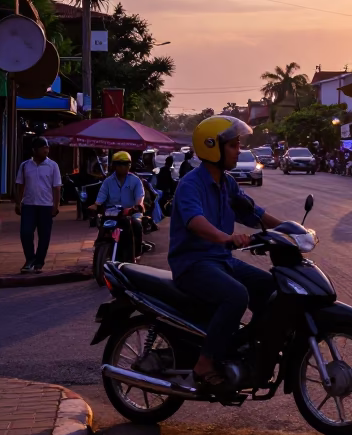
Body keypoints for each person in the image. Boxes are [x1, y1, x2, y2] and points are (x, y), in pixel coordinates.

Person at [168, 115, 282, 388]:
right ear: (212, 147)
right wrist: (227, 238)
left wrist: (290, 231)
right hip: (192, 264)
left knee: (271, 287)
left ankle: (244, 346)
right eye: (233, 145)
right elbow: (195, 221)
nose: (239, 150)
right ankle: (204, 363)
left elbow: (253, 212)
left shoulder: (228, 183)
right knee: (236, 295)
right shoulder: (190, 184)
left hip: (221, 260)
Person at [14, 136, 62, 274]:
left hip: (46, 205)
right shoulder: (25, 166)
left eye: (47, 147)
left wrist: (56, 205)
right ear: (35, 150)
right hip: (28, 205)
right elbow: (20, 184)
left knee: (44, 235)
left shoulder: (53, 166)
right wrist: (18, 202)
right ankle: (30, 259)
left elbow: (57, 187)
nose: (46, 150)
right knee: (26, 233)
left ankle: (39, 262)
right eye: (43, 147)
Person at [94, 152, 146, 259]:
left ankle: (135, 254)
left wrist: (137, 206)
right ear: (114, 165)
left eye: (125, 164)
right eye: (119, 164)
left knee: (136, 225)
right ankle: (99, 252)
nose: (122, 167)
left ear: (129, 165)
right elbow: (101, 197)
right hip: (112, 213)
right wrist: (95, 206)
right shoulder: (108, 182)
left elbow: (140, 197)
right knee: (102, 227)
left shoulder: (135, 181)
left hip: (130, 213)